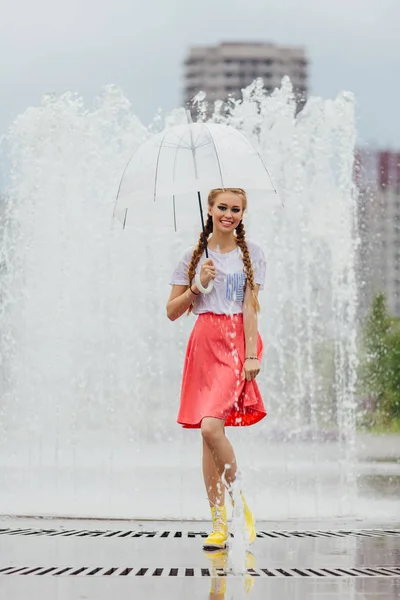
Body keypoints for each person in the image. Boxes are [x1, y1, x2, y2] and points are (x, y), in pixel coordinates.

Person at [166, 187, 267, 550]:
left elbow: (252, 307)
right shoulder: (192, 257)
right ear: (209, 209)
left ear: (242, 213)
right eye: (222, 207)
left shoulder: (251, 253)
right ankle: (219, 524)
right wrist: (197, 285)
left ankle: (240, 504)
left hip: (236, 341)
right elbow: (172, 311)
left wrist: (252, 353)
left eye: (236, 209)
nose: (229, 214)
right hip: (204, 342)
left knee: (211, 428)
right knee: (207, 436)